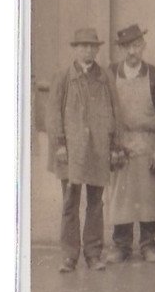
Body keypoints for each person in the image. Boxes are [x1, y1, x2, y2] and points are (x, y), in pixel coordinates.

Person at [46, 28, 118, 272]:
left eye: (91, 46)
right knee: (70, 202)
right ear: (75, 49)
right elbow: (54, 113)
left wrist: (115, 144)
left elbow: (115, 110)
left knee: (96, 203)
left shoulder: (105, 77)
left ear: (97, 49)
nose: (87, 50)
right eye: (82, 46)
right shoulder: (64, 77)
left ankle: (93, 254)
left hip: (98, 147)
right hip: (71, 150)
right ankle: (69, 255)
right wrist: (59, 145)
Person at [106, 24, 155, 264]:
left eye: (136, 46)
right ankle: (121, 245)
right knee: (120, 197)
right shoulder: (111, 73)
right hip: (121, 144)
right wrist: (112, 147)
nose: (132, 52)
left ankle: (149, 244)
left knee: (149, 197)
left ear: (143, 46)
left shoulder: (154, 75)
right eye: (127, 47)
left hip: (148, 143)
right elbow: (105, 111)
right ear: (121, 49)